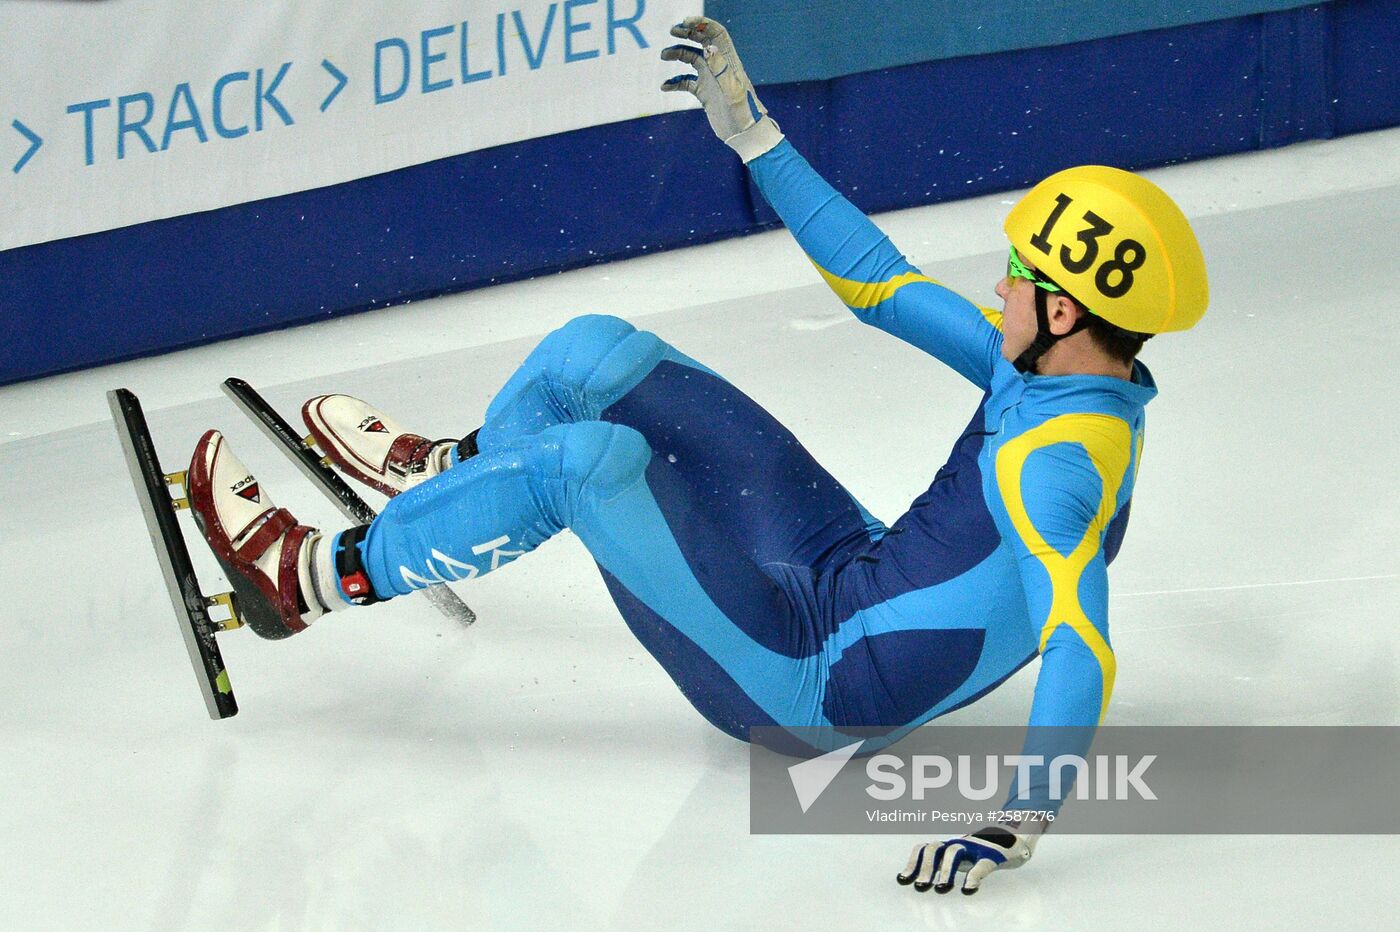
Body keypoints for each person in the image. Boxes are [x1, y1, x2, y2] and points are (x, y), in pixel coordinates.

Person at [187, 16, 1207, 896]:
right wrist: (754, 136)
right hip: (837, 568)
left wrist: (1012, 821)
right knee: (595, 354)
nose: (996, 289)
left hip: (800, 686)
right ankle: (451, 481)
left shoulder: (1058, 461)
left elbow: (1082, 642)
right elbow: (878, 284)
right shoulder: (1056, 372)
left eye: (1016, 275)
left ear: (1064, 309)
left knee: (584, 463)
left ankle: (309, 579)